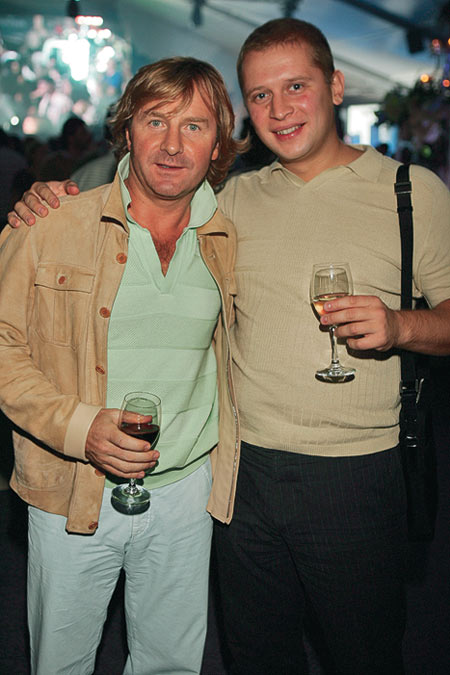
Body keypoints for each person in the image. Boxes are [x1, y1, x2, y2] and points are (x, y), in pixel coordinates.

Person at [8, 18, 450, 675]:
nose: (280, 108)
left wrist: (400, 326)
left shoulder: (394, 194)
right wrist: (41, 198)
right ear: (127, 130)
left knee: (353, 652)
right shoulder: (210, 206)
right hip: (210, 478)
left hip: (305, 478)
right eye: (261, 94)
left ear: (335, 86)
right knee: (243, 654)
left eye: (296, 86)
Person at [0, 56, 245, 675]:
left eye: (194, 126)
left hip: (187, 494)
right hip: (72, 490)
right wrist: (79, 427)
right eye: (155, 120)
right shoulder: (51, 223)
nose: (172, 144)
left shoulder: (231, 238)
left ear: (218, 144)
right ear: (127, 130)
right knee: (61, 663)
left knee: (171, 664)